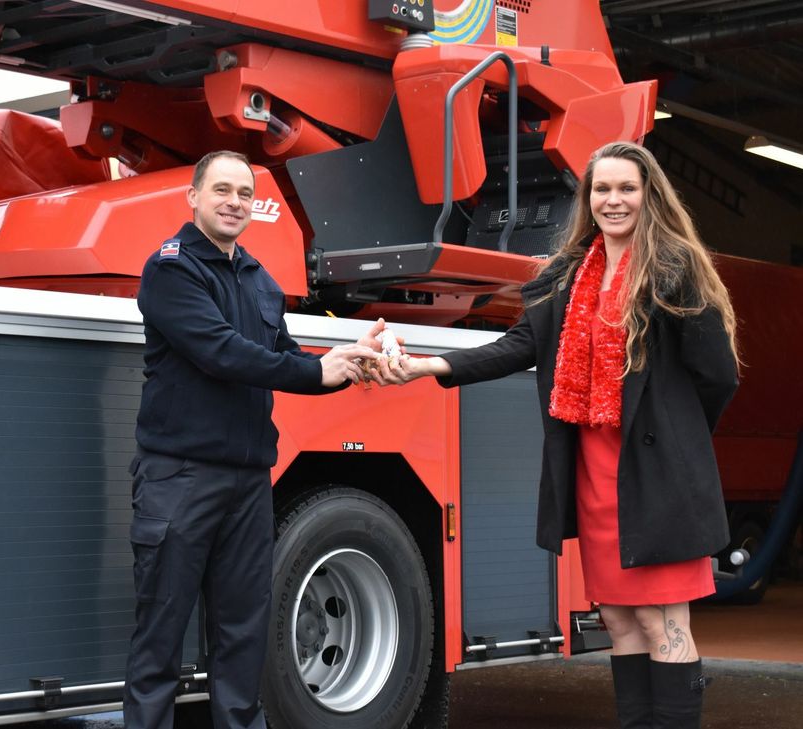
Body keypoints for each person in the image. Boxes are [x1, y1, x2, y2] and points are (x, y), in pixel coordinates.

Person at [380, 141, 739, 729]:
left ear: (650, 195)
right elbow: (520, 345)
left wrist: (677, 440)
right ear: (588, 198)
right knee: (620, 621)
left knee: (663, 623)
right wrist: (431, 365)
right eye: (602, 189)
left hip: (658, 476)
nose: (614, 200)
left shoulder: (674, 268)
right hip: (595, 474)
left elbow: (717, 375)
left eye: (627, 188)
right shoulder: (569, 274)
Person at [125, 150, 381, 729]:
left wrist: (343, 363)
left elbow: (281, 359)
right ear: (193, 197)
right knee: (159, 642)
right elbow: (220, 353)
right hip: (180, 478)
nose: (234, 202)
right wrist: (314, 371)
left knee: (243, 640)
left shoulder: (260, 279)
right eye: (221, 190)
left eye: (244, 193)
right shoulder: (170, 270)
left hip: (246, 485)